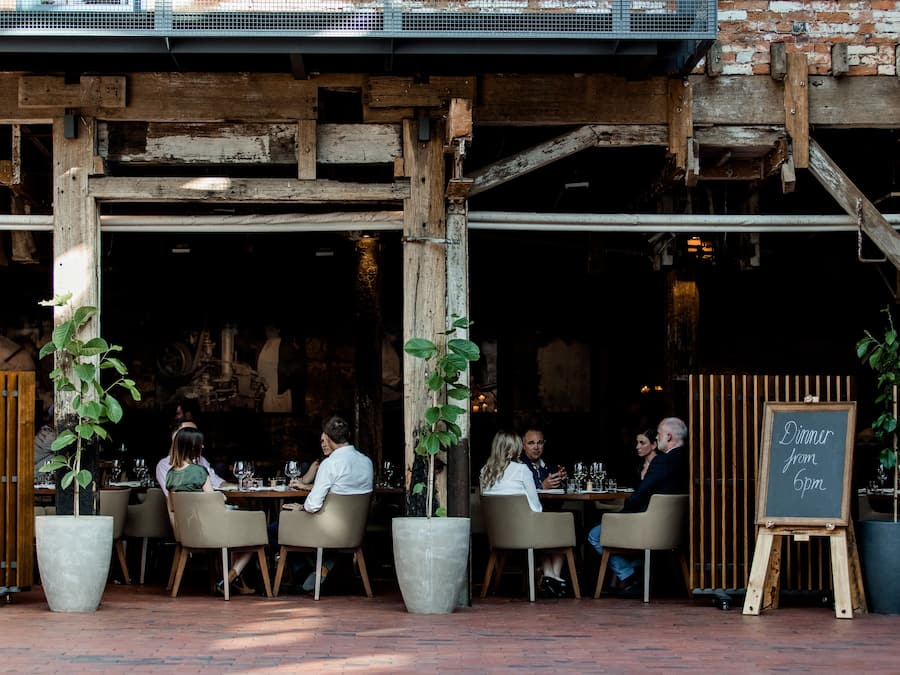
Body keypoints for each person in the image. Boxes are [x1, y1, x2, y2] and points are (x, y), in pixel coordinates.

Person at [586, 416, 688, 598]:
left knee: (595, 534)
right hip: (676, 530)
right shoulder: (689, 459)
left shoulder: (662, 461)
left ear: (669, 436)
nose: (657, 438)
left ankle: (631, 574)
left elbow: (641, 493)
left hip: (648, 528)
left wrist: (622, 516)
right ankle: (636, 571)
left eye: (658, 434)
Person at [280, 415, 374, 591]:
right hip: (355, 532)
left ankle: (304, 574)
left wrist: (302, 507)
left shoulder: (330, 464)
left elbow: (312, 506)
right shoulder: (366, 462)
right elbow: (342, 490)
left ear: (329, 439)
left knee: (274, 528)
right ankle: (326, 565)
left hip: (328, 532)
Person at [164, 427, 254, 595]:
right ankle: (230, 577)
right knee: (254, 533)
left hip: (188, 532)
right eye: (200, 444)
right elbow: (212, 502)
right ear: (193, 447)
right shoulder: (199, 472)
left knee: (240, 531)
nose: (203, 447)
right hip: (209, 533)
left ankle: (231, 579)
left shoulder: (170, 475)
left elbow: (172, 507)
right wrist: (223, 498)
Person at [480, 430, 569, 598]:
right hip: (525, 534)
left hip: (498, 534)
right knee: (559, 526)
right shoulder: (522, 470)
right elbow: (536, 508)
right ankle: (552, 576)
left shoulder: (484, 471)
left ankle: (551, 577)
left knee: (547, 528)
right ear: (515, 448)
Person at [519, 424, 568, 490]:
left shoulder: (551, 467)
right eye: (531, 443)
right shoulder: (518, 466)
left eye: (540, 443)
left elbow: (560, 491)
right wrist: (542, 487)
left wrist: (562, 480)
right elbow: (517, 493)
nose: (536, 447)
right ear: (524, 446)